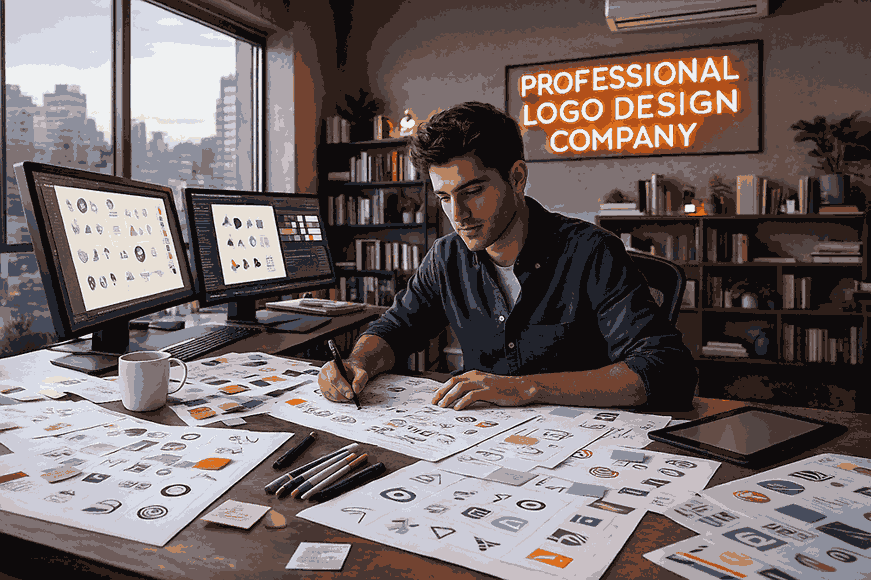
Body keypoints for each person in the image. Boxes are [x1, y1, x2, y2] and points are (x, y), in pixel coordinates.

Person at [318, 101, 696, 411]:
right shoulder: (446, 256)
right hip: (483, 443)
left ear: (517, 178)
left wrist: (526, 388)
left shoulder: (591, 251)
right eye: (444, 198)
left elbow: (666, 371)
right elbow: (395, 330)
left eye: (472, 191)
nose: (458, 215)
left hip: (584, 445)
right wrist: (357, 363)